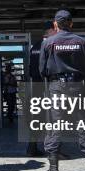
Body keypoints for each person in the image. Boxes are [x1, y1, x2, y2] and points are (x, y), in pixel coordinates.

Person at [39, 10, 85, 171]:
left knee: (55, 126)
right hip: (77, 86)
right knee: (84, 125)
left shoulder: (48, 42)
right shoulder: (82, 42)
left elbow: (42, 70)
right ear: (71, 23)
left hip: (57, 86)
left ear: (55, 24)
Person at [26, 21, 54, 157]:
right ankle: (54, 150)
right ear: (51, 30)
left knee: (36, 117)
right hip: (49, 85)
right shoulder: (51, 45)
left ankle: (32, 147)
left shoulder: (34, 47)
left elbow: (30, 70)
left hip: (36, 86)